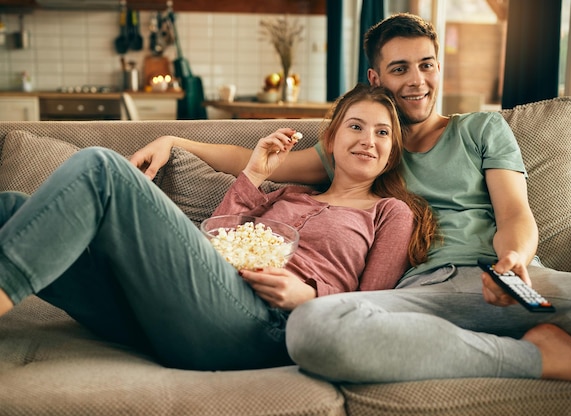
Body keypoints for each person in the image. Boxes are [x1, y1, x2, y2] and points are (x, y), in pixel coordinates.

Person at [131, 13, 571, 387]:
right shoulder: (363, 148)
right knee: (313, 329)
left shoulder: (482, 128)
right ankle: (535, 357)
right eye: (400, 68)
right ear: (376, 79)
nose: (417, 80)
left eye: (426, 65)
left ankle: (533, 331)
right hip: (412, 297)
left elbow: (515, 211)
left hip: (507, 282)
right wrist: (177, 143)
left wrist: (513, 260)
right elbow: (255, 162)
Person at [0, 84, 437, 371]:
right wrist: (255, 172)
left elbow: (376, 308)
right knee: (10, 208)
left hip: (262, 327)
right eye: (356, 126)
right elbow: (220, 233)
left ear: (392, 151)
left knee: (101, 167)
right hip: (186, 309)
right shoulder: (289, 195)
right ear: (332, 140)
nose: (368, 139)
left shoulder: (391, 213)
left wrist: (311, 297)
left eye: (382, 133)